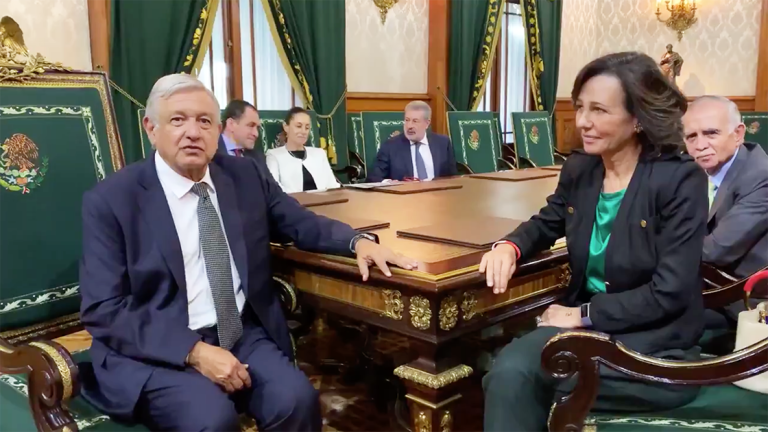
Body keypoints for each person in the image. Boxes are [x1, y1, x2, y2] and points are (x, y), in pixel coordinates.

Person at [78, 73, 417, 432]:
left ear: (217, 129)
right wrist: (193, 351)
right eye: (178, 119)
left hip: (239, 331)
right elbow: (103, 308)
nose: (193, 132)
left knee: (297, 400)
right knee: (212, 420)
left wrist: (357, 242)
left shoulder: (244, 175)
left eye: (204, 121)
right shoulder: (112, 200)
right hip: (160, 346)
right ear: (151, 128)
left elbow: (298, 221)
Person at [480, 52, 708, 432]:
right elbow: (548, 220)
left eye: (599, 110)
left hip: (652, 343)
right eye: (580, 107)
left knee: (510, 376)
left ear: (637, 118)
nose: (582, 121)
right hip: (581, 335)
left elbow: (669, 292)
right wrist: (509, 246)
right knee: (508, 372)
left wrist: (582, 315)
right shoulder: (582, 167)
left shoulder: (679, 180)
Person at [683, 95, 768, 323]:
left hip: (744, 302)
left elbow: (715, 251)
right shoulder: (690, 168)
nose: (700, 145)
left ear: (738, 134)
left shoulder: (761, 176)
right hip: (699, 284)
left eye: (711, 133)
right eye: (691, 136)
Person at [366, 100, 457, 182]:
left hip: (438, 196)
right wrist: (388, 183)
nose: (409, 126)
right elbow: (373, 178)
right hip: (405, 198)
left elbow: (453, 177)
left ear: (427, 123)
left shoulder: (443, 143)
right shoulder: (390, 146)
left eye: (415, 121)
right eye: (407, 120)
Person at [265, 107, 340, 193]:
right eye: (298, 126)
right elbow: (274, 188)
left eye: (307, 128)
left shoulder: (319, 153)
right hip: (292, 204)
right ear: (286, 127)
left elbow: (332, 185)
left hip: (324, 203)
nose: (303, 131)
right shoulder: (274, 155)